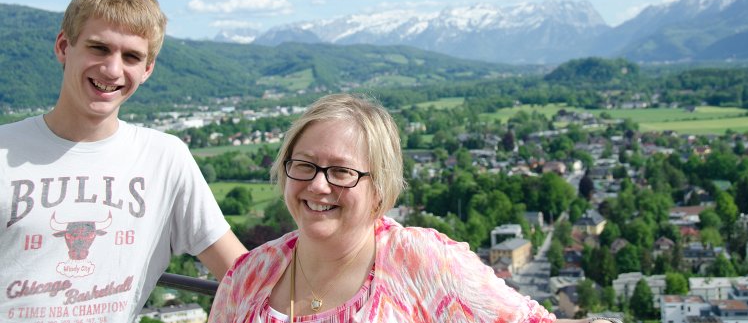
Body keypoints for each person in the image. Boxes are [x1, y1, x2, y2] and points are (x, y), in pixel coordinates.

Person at [208, 93, 620, 323]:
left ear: (379, 189)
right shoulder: (249, 276)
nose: (318, 185)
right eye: (304, 165)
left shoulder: (423, 262)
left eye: (341, 172)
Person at [0, 0, 247, 323]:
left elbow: (244, 273)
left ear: (147, 69)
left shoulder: (165, 159)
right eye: (99, 48)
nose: (113, 69)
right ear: (63, 46)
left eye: (131, 56)